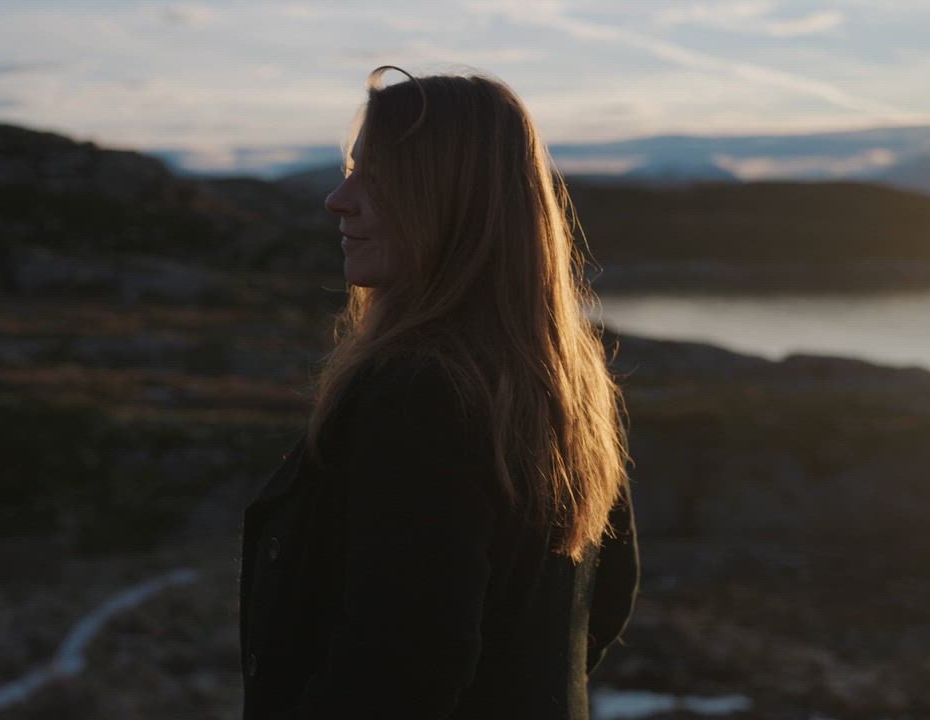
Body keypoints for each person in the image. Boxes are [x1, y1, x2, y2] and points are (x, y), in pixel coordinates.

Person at [239, 65, 639, 720]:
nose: (339, 200)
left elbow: (401, 668)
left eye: (377, 178)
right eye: (351, 170)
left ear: (455, 205)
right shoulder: (566, 382)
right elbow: (602, 601)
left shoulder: (422, 393)